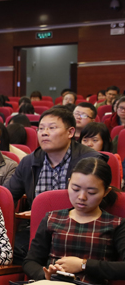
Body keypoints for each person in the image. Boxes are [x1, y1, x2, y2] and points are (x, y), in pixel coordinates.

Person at [6, 107, 103, 263]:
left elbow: (94, 201)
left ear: (70, 132)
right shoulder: (29, 161)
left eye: (51, 128)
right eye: (41, 129)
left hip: (79, 228)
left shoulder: (90, 161)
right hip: (38, 229)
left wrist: (42, 212)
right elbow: (8, 196)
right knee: (5, 251)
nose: (44, 133)